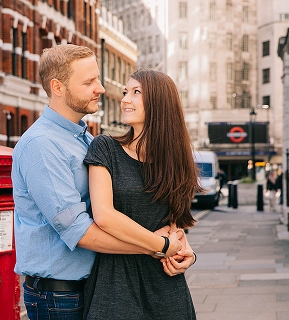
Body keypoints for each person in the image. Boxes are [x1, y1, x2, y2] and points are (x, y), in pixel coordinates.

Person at [11, 45, 192, 320]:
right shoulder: (41, 145)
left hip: (97, 286)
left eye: (98, 79)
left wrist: (178, 242)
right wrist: (161, 247)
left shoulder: (85, 139)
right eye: (89, 82)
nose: (101, 89)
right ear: (57, 87)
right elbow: (80, 231)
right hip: (60, 296)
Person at [83, 70, 201, 319]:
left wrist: (186, 253)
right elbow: (104, 215)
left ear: (160, 104)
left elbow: (175, 223)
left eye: (136, 93)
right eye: (126, 92)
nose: (126, 99)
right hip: (116, 283)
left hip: (166, 286)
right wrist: (162, 245)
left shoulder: (175, 161)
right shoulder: (105, 148)